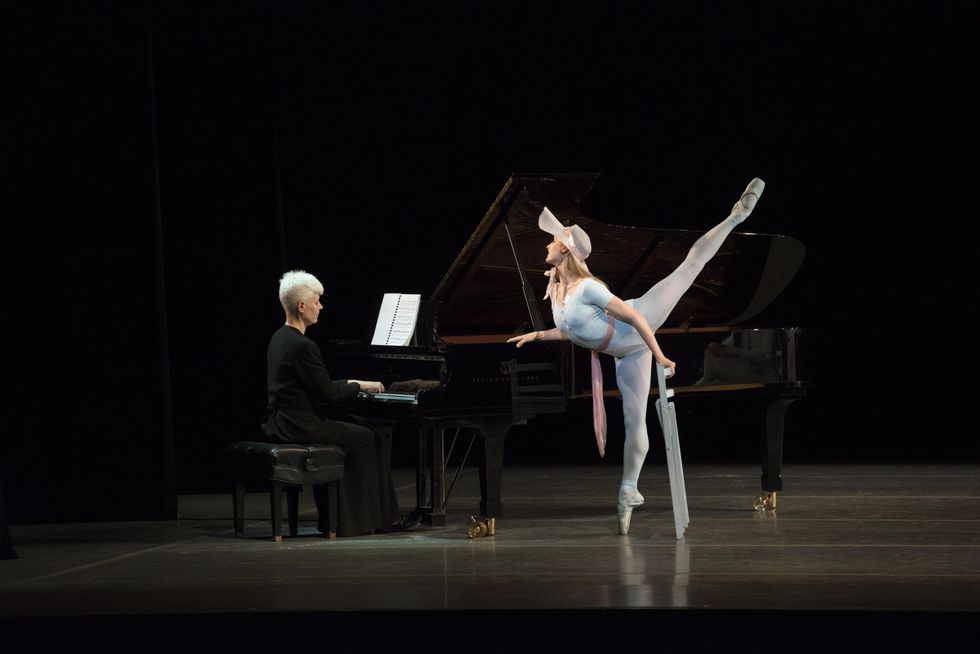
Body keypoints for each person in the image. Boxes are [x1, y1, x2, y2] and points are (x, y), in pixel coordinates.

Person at [508, 178, 766, 535]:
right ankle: (628, 490)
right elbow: (574, 330)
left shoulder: (588, 288)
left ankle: (736, 216)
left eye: (552, 241)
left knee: (687, 270)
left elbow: (635, 317)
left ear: (565, 251)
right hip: (623, 352)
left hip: (638, 321)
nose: (546, 246)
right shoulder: (557, 292)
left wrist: (660, 355)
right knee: (635, 423)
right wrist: (537, 334)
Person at [260, 270, 405, 536]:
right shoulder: (303, 346)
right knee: (366, 438)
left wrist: (351, 381)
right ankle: (358, 521)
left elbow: (318, 385)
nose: (321, 306)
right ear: (302, 306)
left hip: (281, 422)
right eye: (317, 301)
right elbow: (330, 394)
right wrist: (359, 385)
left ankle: (345, 518)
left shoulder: (279, 338)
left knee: (357, 426)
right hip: (300, 426)